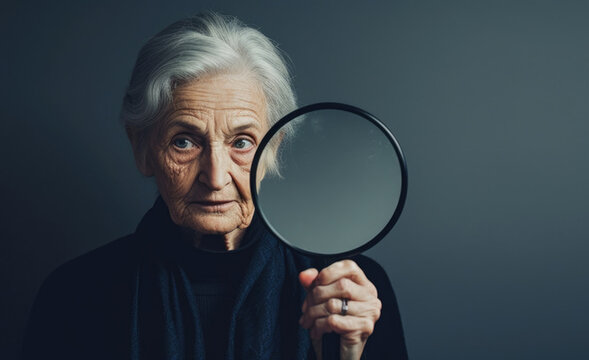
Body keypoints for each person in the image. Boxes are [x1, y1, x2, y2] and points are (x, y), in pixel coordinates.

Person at [23, 11, 408, 359]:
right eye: (184, 141)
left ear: (273, 152)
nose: (215, 176)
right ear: (142, 149)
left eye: (242, 142)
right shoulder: (74, 295)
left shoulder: (350, 294)